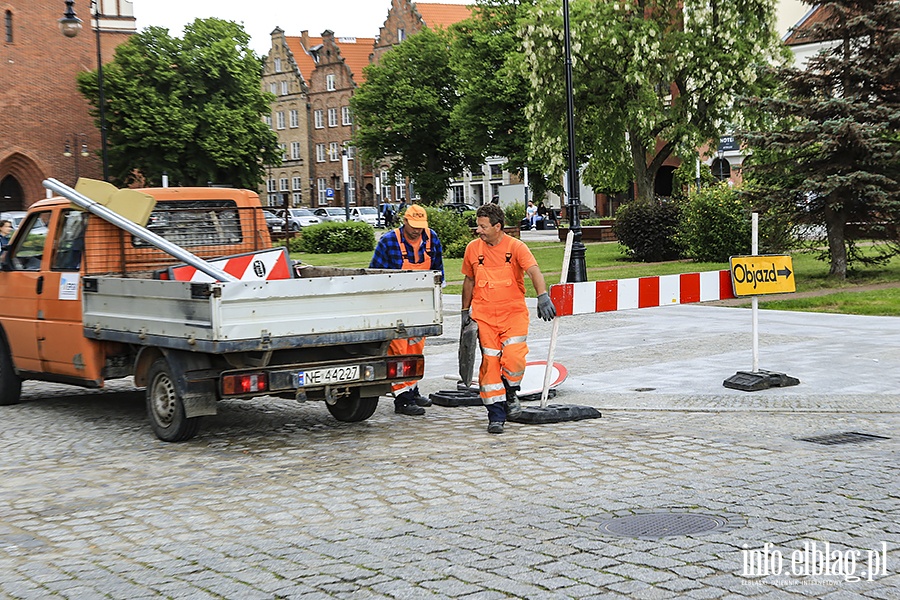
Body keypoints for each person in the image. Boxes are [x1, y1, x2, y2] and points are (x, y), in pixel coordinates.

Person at [461, 204, 556, 434]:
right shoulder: (473, 249)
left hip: (513, 314)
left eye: (483, 226)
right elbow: (469, 281)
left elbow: (534, 271)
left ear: (497, 226)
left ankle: (511, 391)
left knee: (514, 358)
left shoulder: (516, 247)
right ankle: (496, 415)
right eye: (478, 225)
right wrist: (465, 311)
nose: (479, 230)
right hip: (484, 316)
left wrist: (542, 296)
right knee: (490, 365)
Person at [369, 204, 444, 416]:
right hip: (396, 304)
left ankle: (412, 389)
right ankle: (402, 399)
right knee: (399, 350)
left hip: (420, 303)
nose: (417, 230)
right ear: (404, 221)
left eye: (420, 226)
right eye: (413, 226)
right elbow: (375, 275)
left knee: (415, 348)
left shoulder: (431, 238)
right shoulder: (388, 242)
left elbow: (438, 270)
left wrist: (437, 300)